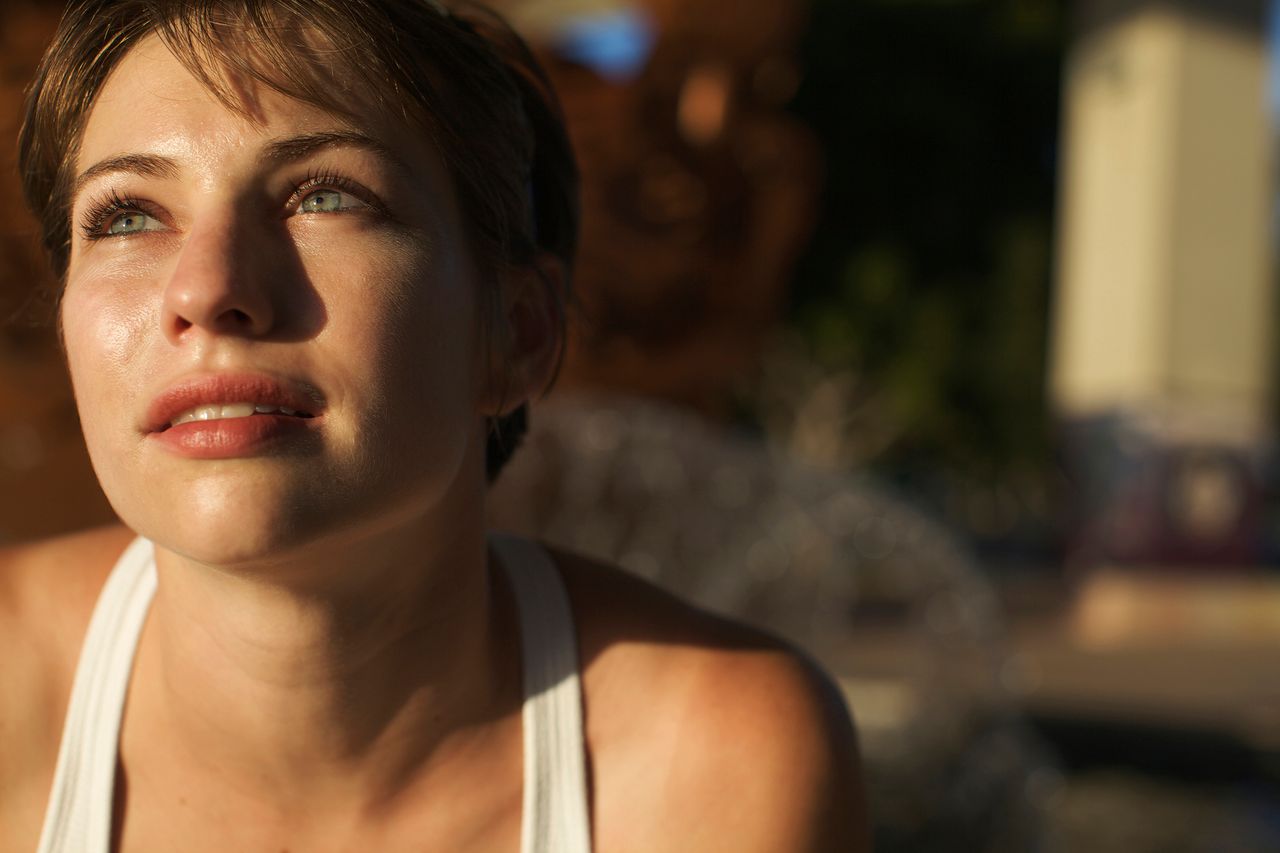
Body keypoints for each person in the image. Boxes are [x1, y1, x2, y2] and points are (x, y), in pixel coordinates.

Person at [0, 1, 870, 850]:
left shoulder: (714, 767)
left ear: (515, 337)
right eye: (126, 215)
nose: (207, 290)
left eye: (324, 197)